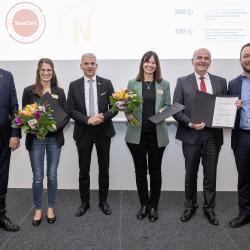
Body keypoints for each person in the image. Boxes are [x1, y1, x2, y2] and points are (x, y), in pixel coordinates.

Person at [173, 48, 227, 225]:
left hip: (213, 136)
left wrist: (233, 106)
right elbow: (176, 110)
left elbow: (224, 108)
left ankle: (209, 208)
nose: (203, 61)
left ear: (210, 61)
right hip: (191, 135)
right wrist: (190, 123)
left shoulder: (221, 82)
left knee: (210, 174)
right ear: (192, 60)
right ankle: (190, 206)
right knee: (191, 174)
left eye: (206, 58)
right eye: (199, 58)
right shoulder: (182, 82)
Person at [67, 53, 117, 217]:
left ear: (97, 66)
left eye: (92, 63)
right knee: (84, 170)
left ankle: (103, 202)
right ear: (81, 66)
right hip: (84, 130)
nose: (89, 66)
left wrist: (102, 117)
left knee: (104, 169)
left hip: (103, 130)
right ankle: (85, 203)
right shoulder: (73, 85)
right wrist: (88, 120)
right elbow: (71, 109)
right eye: (86, 63)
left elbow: (115, 107)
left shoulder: (107, 83)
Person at [22, 58, 69, 226]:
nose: (46, 73)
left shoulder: (60, 91)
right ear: (38, 71)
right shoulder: (29, 91)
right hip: (36, 140)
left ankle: (50, 207)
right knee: (37, 177)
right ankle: (38, 209)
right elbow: (24, 116)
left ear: (53, 71)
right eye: (43, 70)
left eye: (49, 70)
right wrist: (36, 129)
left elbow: (66, 116)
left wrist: (53, 128)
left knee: (52, 175)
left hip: (54, 139)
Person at [125, 51, 170, 222]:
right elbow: (127, 105)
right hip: (137, 135)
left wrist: (163, 111)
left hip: (157, 135)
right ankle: (144, 204)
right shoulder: (133, 83)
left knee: (156, 172)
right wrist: (127, 113)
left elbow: (167, 105)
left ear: (157, 65)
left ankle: (154, 206)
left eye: (153, 62)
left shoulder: (163, 84)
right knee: (140, 172)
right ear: (142, 63)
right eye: (147, 61)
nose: (150, 65)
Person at [228, 43, 250, 228]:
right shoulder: (233, 83)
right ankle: (244, 213)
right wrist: (230, 108)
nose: (248, 59)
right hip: (242, 136)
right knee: (244, 176)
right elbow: (227, 113)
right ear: (240, 59)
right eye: (245, 55)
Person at [0, 68, 21, 232]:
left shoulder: (7, 75)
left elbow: (14, 106)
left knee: (1, 178)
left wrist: (15, 133)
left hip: (3, 136)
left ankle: (1, 215)